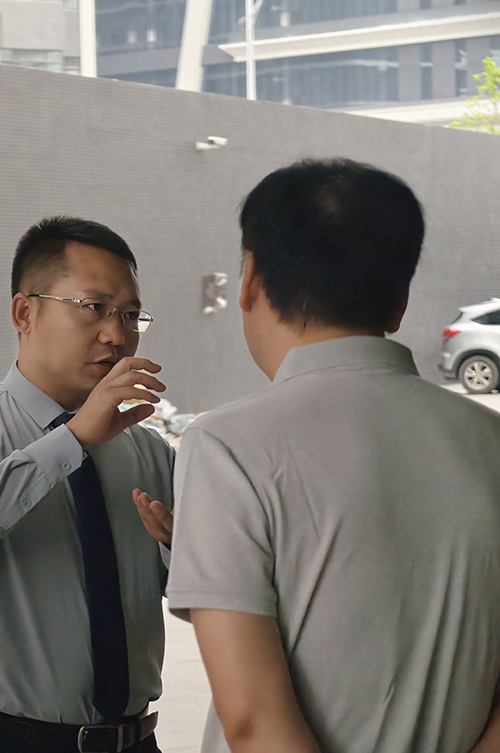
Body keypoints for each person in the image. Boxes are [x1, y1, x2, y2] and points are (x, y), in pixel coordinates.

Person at [138, 159, 500, 753]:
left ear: (251, 282)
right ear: (400, 302)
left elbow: (253, 722)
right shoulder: (489, 440)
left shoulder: (226, 446)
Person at [0, 217, 175, 753]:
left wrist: (182, 547)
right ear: (24, 313)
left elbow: (197, 592)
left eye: (129, 315)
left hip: (134, 741)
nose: (115, 335)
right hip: (0, 742)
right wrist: (72, 439)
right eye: (93, 307)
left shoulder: (148, 451)